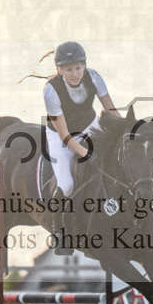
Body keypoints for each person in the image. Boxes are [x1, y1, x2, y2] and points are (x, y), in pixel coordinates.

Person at [43, 41, 118, 254]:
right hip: (61, 135)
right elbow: (66, 136)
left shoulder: (94, 77)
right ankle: (59, 233)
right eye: (68, 69)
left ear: (84, 65)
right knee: (66, 184)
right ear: (59, 69)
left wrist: (126, 130)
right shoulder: (51, 91)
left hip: (90, 125)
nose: (74, 73)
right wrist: (86, 153)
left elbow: (111, 110)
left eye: (78, 67)